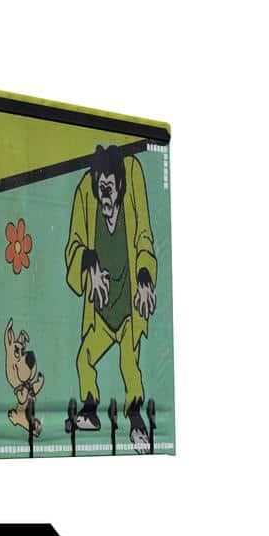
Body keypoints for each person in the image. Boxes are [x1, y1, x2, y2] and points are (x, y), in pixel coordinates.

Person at [64, 145, 158, 451]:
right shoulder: (85, 197)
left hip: (128, 310)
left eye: (109, 188)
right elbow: (74, 246)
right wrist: (88, 265)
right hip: (102, 315)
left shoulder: (132, 184)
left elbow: (144, 238)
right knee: (84, 359)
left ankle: (137, 422)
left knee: (129, 365)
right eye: (99, 188)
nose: (104, 196)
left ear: (119, 186)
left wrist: (144, 277)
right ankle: (90, 410)